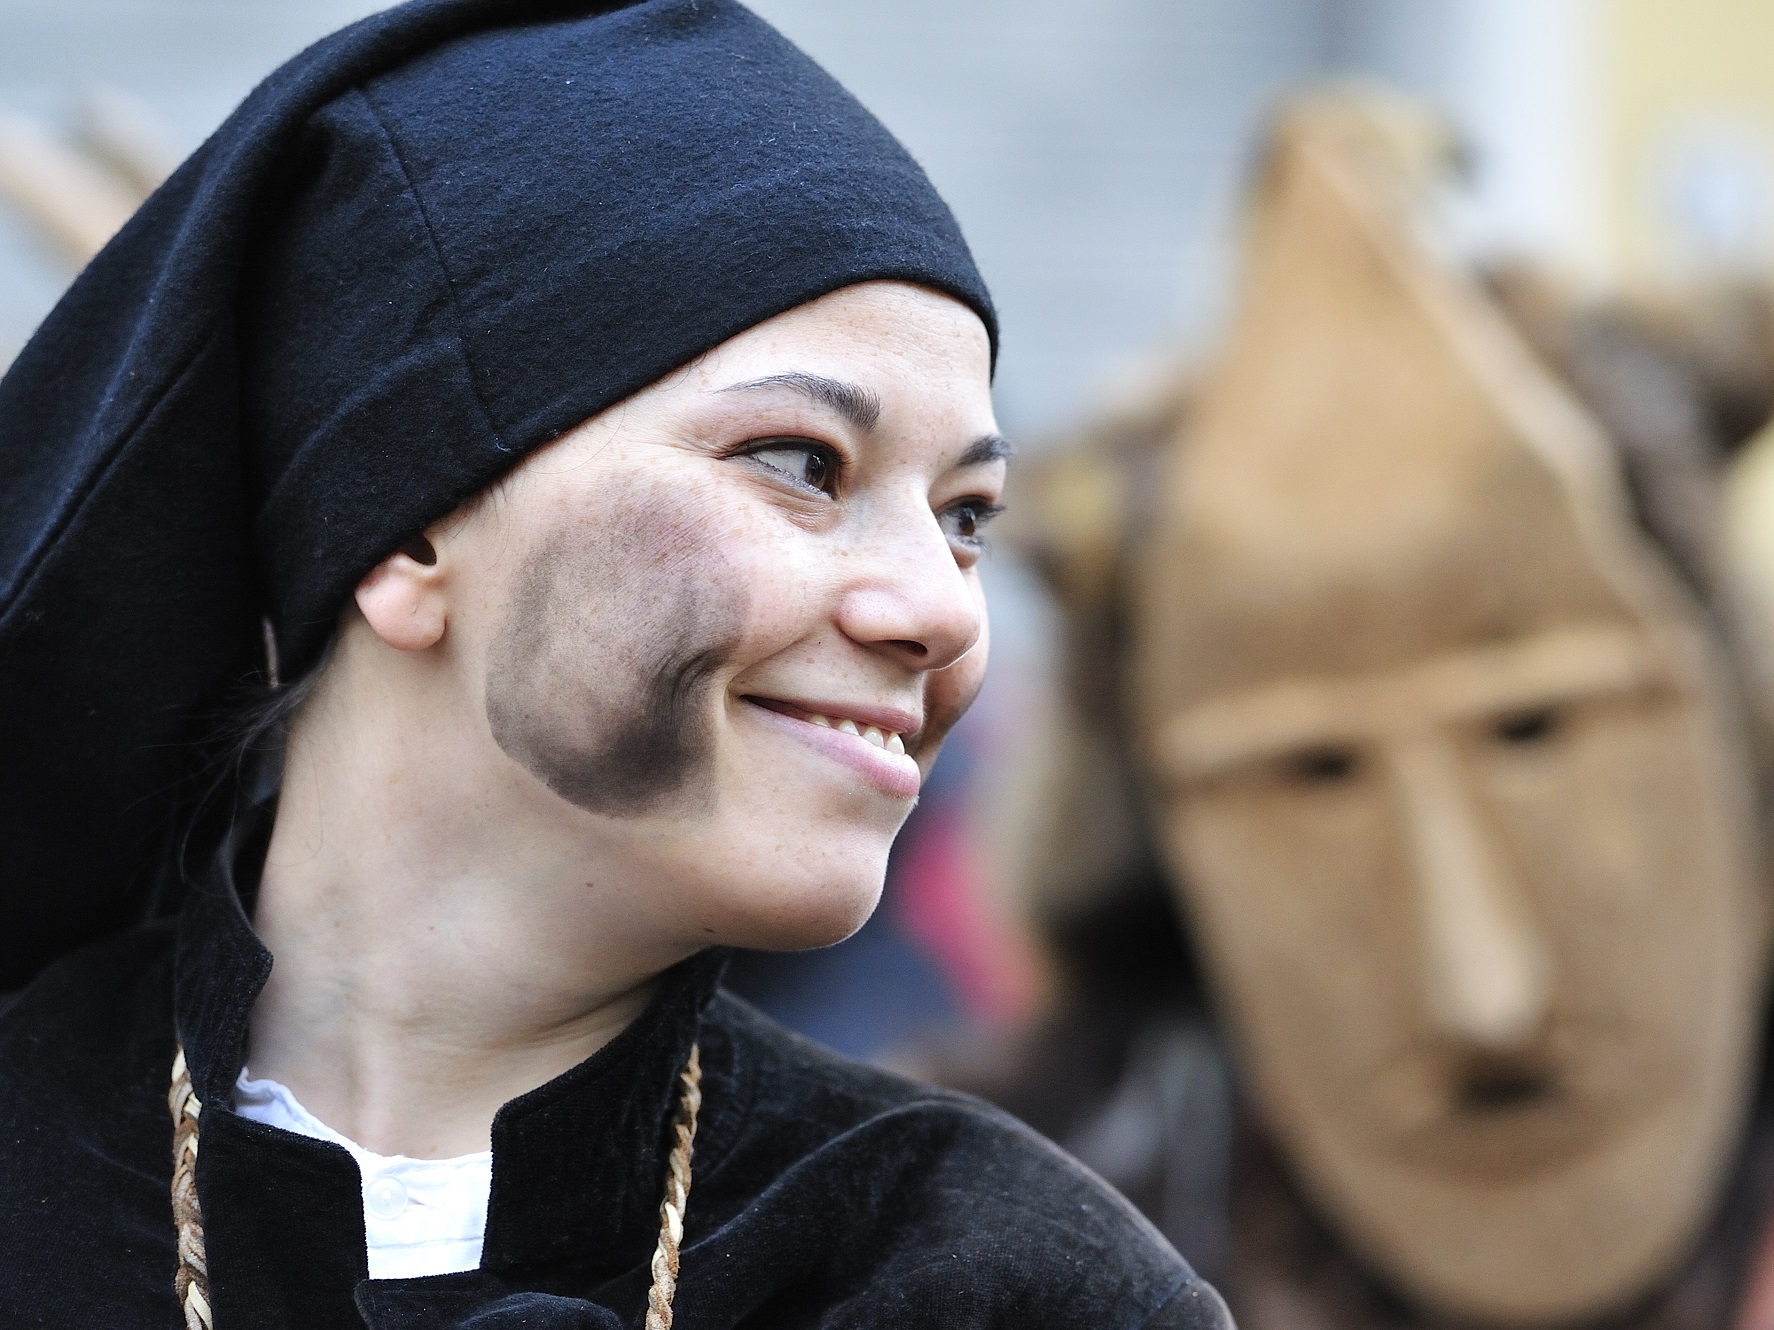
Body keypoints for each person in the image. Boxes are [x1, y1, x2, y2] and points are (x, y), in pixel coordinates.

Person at [0, 3, 1233, 1327]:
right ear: (410, 531)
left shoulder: (1013, 1287)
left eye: (966, 518)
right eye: (801, 463)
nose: (940, 608)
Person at [962, 93, 1774, 1330]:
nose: (1483, 990)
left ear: (1738, 757)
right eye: (1313, 774)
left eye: (1533, 734)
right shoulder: (977, 1250)